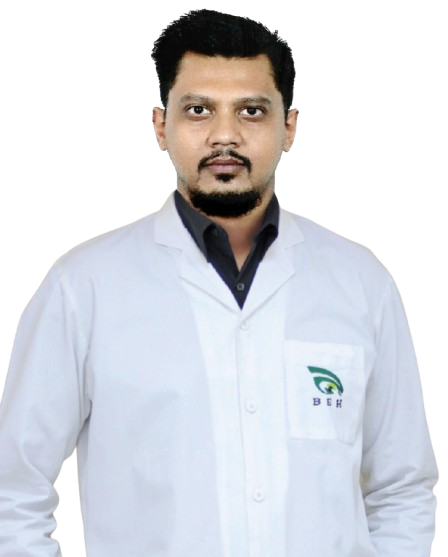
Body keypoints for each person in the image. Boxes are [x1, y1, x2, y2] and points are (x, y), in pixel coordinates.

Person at [0, 8, 438, 557]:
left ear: (289, 128)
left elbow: (401, 488)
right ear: (161, 126)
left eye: (251, 111)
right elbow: (13, 488)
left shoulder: (360, 281)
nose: (225, 135)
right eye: (198, 110)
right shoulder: (82, 286)